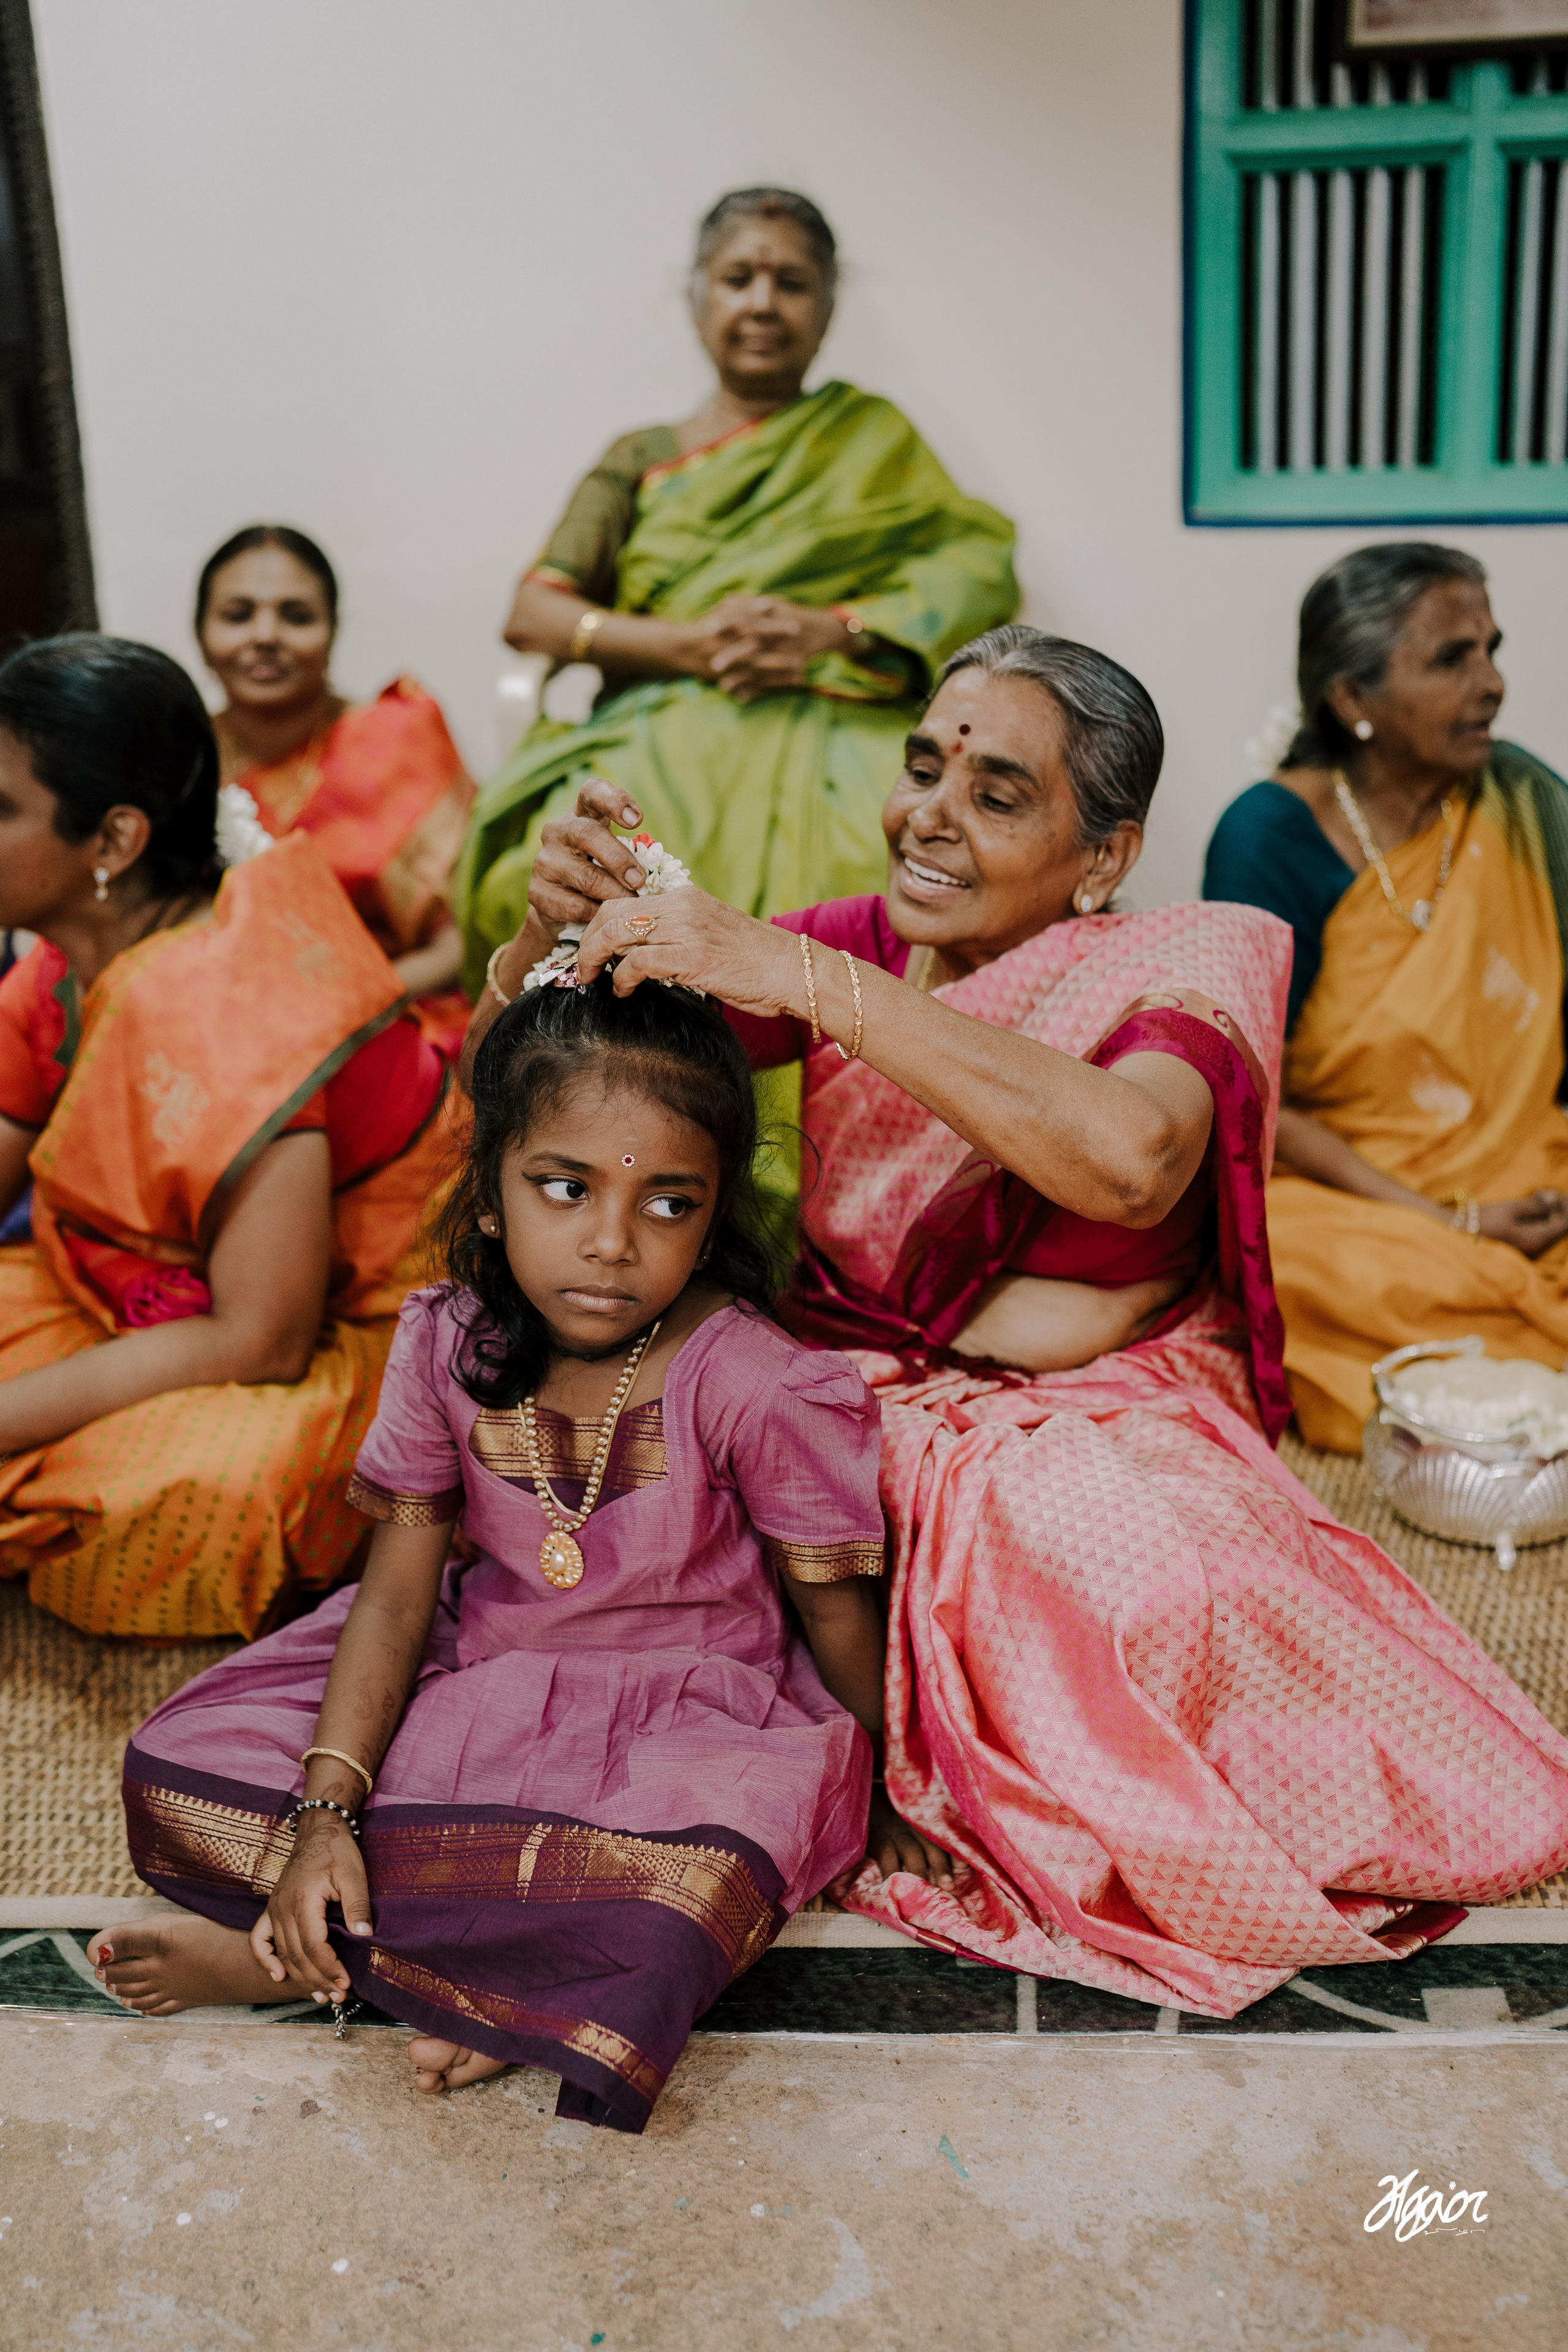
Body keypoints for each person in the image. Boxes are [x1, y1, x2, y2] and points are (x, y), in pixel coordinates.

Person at [469, 624, 1568, 2020]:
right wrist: (537, 938)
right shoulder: (857, 949)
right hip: (846, 1391)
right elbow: (542, 1091)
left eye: (995, 794)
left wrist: (793, 977)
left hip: (1104, 1404)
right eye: (925, 766)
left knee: (1157, 1597)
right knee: (632, 1583)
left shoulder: (1190, 957)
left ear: (1102, 856)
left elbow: (1129, 1160)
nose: (929, 812)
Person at [92, 971, 941, 2133]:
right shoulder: (445, 1339)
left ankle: (338, 1965)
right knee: (182, 1770)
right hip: (482, 1677)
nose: (609, 1243)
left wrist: (884, 1782)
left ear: (714, 1214)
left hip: (695, 1715)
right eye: (564, 1187)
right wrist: (324, 1815)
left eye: (669, 1204)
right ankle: (503, 1983)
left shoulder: (757, 1380)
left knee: (690, 1899)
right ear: (490, 1193)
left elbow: (835, 1609)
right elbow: (391, 1605)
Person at [0, 636, 453, 1640]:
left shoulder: (232, 1004)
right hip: (124, 1285)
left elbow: (265, 1337)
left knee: (198, 1502)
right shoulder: (59, 969)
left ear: (113, 843)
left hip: (344, 1326)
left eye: (3, 810)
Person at [455, 186, 1019, 991]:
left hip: (836, 713)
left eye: (791, 282)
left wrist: (830, 630)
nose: (763, 302)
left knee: (890, 836)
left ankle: (855, 1089)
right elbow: (535, 610)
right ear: (697, 301)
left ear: (826, 310)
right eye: (739, 278)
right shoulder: (641, 456)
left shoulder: (875, 441)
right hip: (668, 709)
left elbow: (977, 568)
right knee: (618, 843)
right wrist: (687, 645)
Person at [1204, 543, 1568, 1451]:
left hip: (1523, 1161)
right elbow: (1245, 1088)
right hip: (1341, 1187)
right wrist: (1444, 1219)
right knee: (1291, 1261)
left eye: (1492, 649)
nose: (1491, 684)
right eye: (1452, 658)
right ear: (1351, 699)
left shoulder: (1520, 805)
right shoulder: (1269, 836)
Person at [198, 524, 474, 1058]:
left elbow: (457, 944)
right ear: (201, 633)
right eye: (237, 615)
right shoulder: (176, 761)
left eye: (296, 616)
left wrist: (341, 1009)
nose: (265, 635)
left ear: (332, 632)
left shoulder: (397, 740)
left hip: (385, 1016)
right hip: (219, 1030)